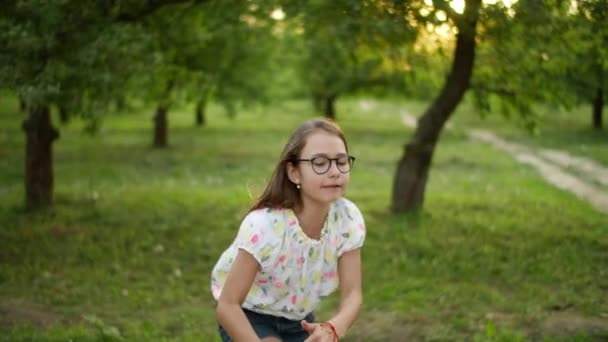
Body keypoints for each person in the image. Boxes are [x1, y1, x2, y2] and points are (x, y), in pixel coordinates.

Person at [211, 118, 366, 342]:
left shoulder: (348, 219)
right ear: (294, 173)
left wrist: (333, 328)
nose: (334, 172)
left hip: (298, 320)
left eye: (341, 161)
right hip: (248, 315)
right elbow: (227, 306)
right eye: (320, 163)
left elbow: (353, 295)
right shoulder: (264, 227)